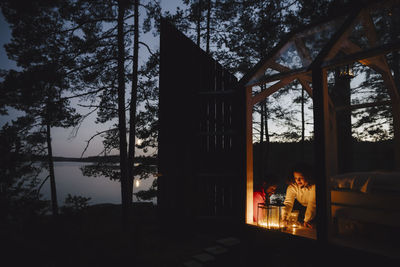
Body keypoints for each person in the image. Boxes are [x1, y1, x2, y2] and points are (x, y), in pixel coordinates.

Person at [282, 163, 316, 228]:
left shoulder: (314, 187)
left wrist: (307, 220)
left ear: (308, 176)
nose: (298, 180)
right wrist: (284, 218)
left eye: (301, 177)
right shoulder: (292, 187)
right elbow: (288, 203)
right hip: (302, 211)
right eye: (295, 178)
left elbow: (312, 204)